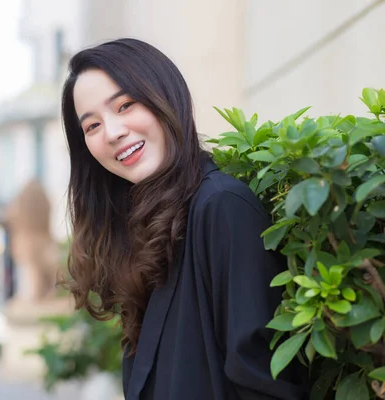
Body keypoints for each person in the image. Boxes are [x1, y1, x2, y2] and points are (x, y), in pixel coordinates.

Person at [60, 38, 309, 399]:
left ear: (165, 96)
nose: (113, 132)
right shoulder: (143, 229)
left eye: (126, 105)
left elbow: (263, 383)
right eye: (92, 126)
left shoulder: (221, 208)